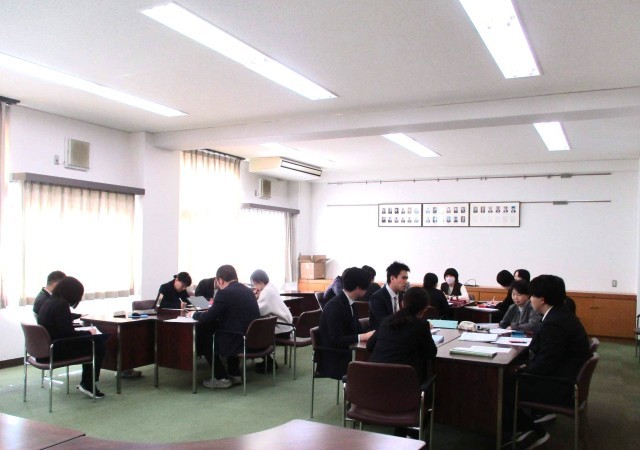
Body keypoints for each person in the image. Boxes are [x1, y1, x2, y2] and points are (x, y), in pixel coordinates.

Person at [503, 275, 590, 449]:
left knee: (501, 384)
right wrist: (525, 366)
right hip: (566, 377)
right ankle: (519, 427)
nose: (531, 299)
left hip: (559, 385)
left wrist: (522, 370)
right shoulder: (561, 314)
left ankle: (531, 431)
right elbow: (548, 357)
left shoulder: (554, 323)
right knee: (508, 377)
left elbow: (545, 364)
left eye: (532, 296)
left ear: (541, 299)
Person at [188, 265, 260, 389]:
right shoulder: (248, 291)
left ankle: (221, 378)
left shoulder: (224, 293)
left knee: (205, 337)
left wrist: (193, 314)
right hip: (250, 338)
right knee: (229, 329)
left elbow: (208, 317)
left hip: (236, 339)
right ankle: (234, 374)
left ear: (220, 280)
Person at [37, 276, 107, 398]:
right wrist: (89, 333)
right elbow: (68, 334)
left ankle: (87, 382)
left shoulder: (49, 301)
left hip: (44, 350)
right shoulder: (61, 304)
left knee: (94, 342)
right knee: (97, 345)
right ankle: (88, 383)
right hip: (56, 350)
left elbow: (61, 327)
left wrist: (83, 331)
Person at [368, 287, 437, 383]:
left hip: (373, 381)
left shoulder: (386, 321)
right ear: (424, 309)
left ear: (402, 303)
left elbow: (369, 346)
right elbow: (430, 354)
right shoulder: (421, 325)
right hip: (404, 383)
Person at [317, 267, 374, 379]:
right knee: (371, 369)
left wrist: (370, 334)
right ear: (358, 288)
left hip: (345, 350)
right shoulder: (335, 306)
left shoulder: (349, 302)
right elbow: (336, 339)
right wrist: (362, 337)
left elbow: (356, 329)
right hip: (334, 356)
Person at [250, 269, 293, 373]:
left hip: (281, 328)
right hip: (287, 326)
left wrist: (254, 299)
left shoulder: (266, 292)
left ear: (258, 281)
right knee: (258, 331)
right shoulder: (271, 287)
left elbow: (258, 311)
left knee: (253, 334)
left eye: (254, 283)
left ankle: (269, 362)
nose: (255, 287)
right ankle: (268, 361)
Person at [369, 261, 410, 330]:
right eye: (403, 278)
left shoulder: (402, 296)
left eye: (406, 279)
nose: (406, 282)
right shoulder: (377, 297)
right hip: (382, 334)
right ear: (392, 278)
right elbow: (384, 324)